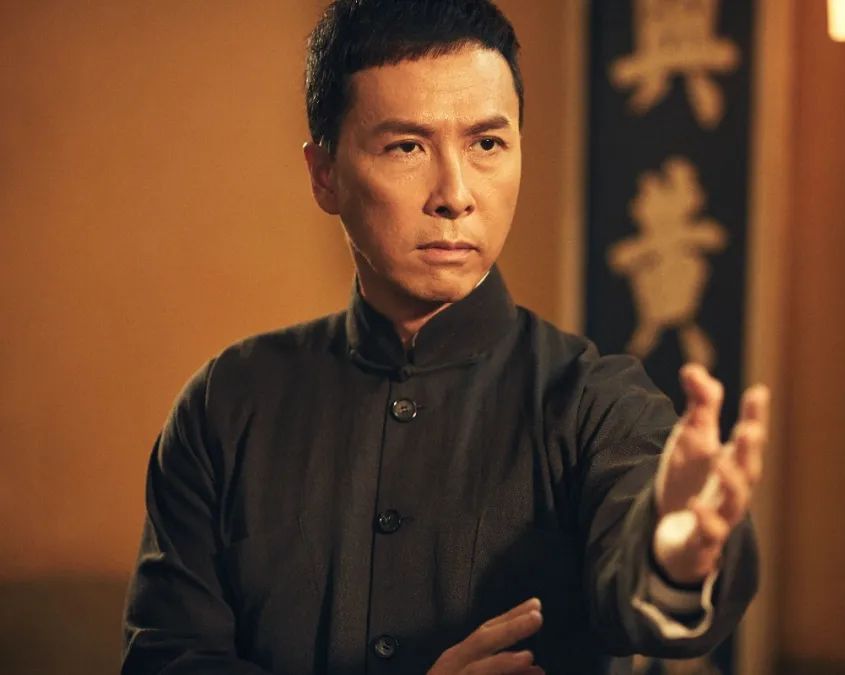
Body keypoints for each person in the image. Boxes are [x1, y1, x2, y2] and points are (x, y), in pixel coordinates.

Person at [121, 1, 769, 673]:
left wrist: (672, 551)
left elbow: (645, 563)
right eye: (407, 147)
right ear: (324, 175)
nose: (455, 194)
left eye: (487, 144)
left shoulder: (596, 404)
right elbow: (167, 659)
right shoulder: (229, 404)